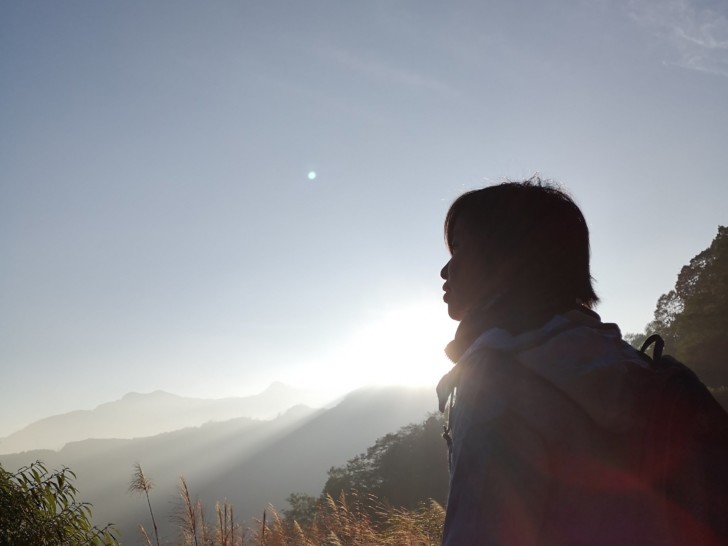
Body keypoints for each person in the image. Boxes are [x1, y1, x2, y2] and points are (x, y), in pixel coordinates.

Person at [435, 178, 725, 545]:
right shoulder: (620, 358)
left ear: (508, 257)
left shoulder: (497, 378)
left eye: (459, 248)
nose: (446, 271)